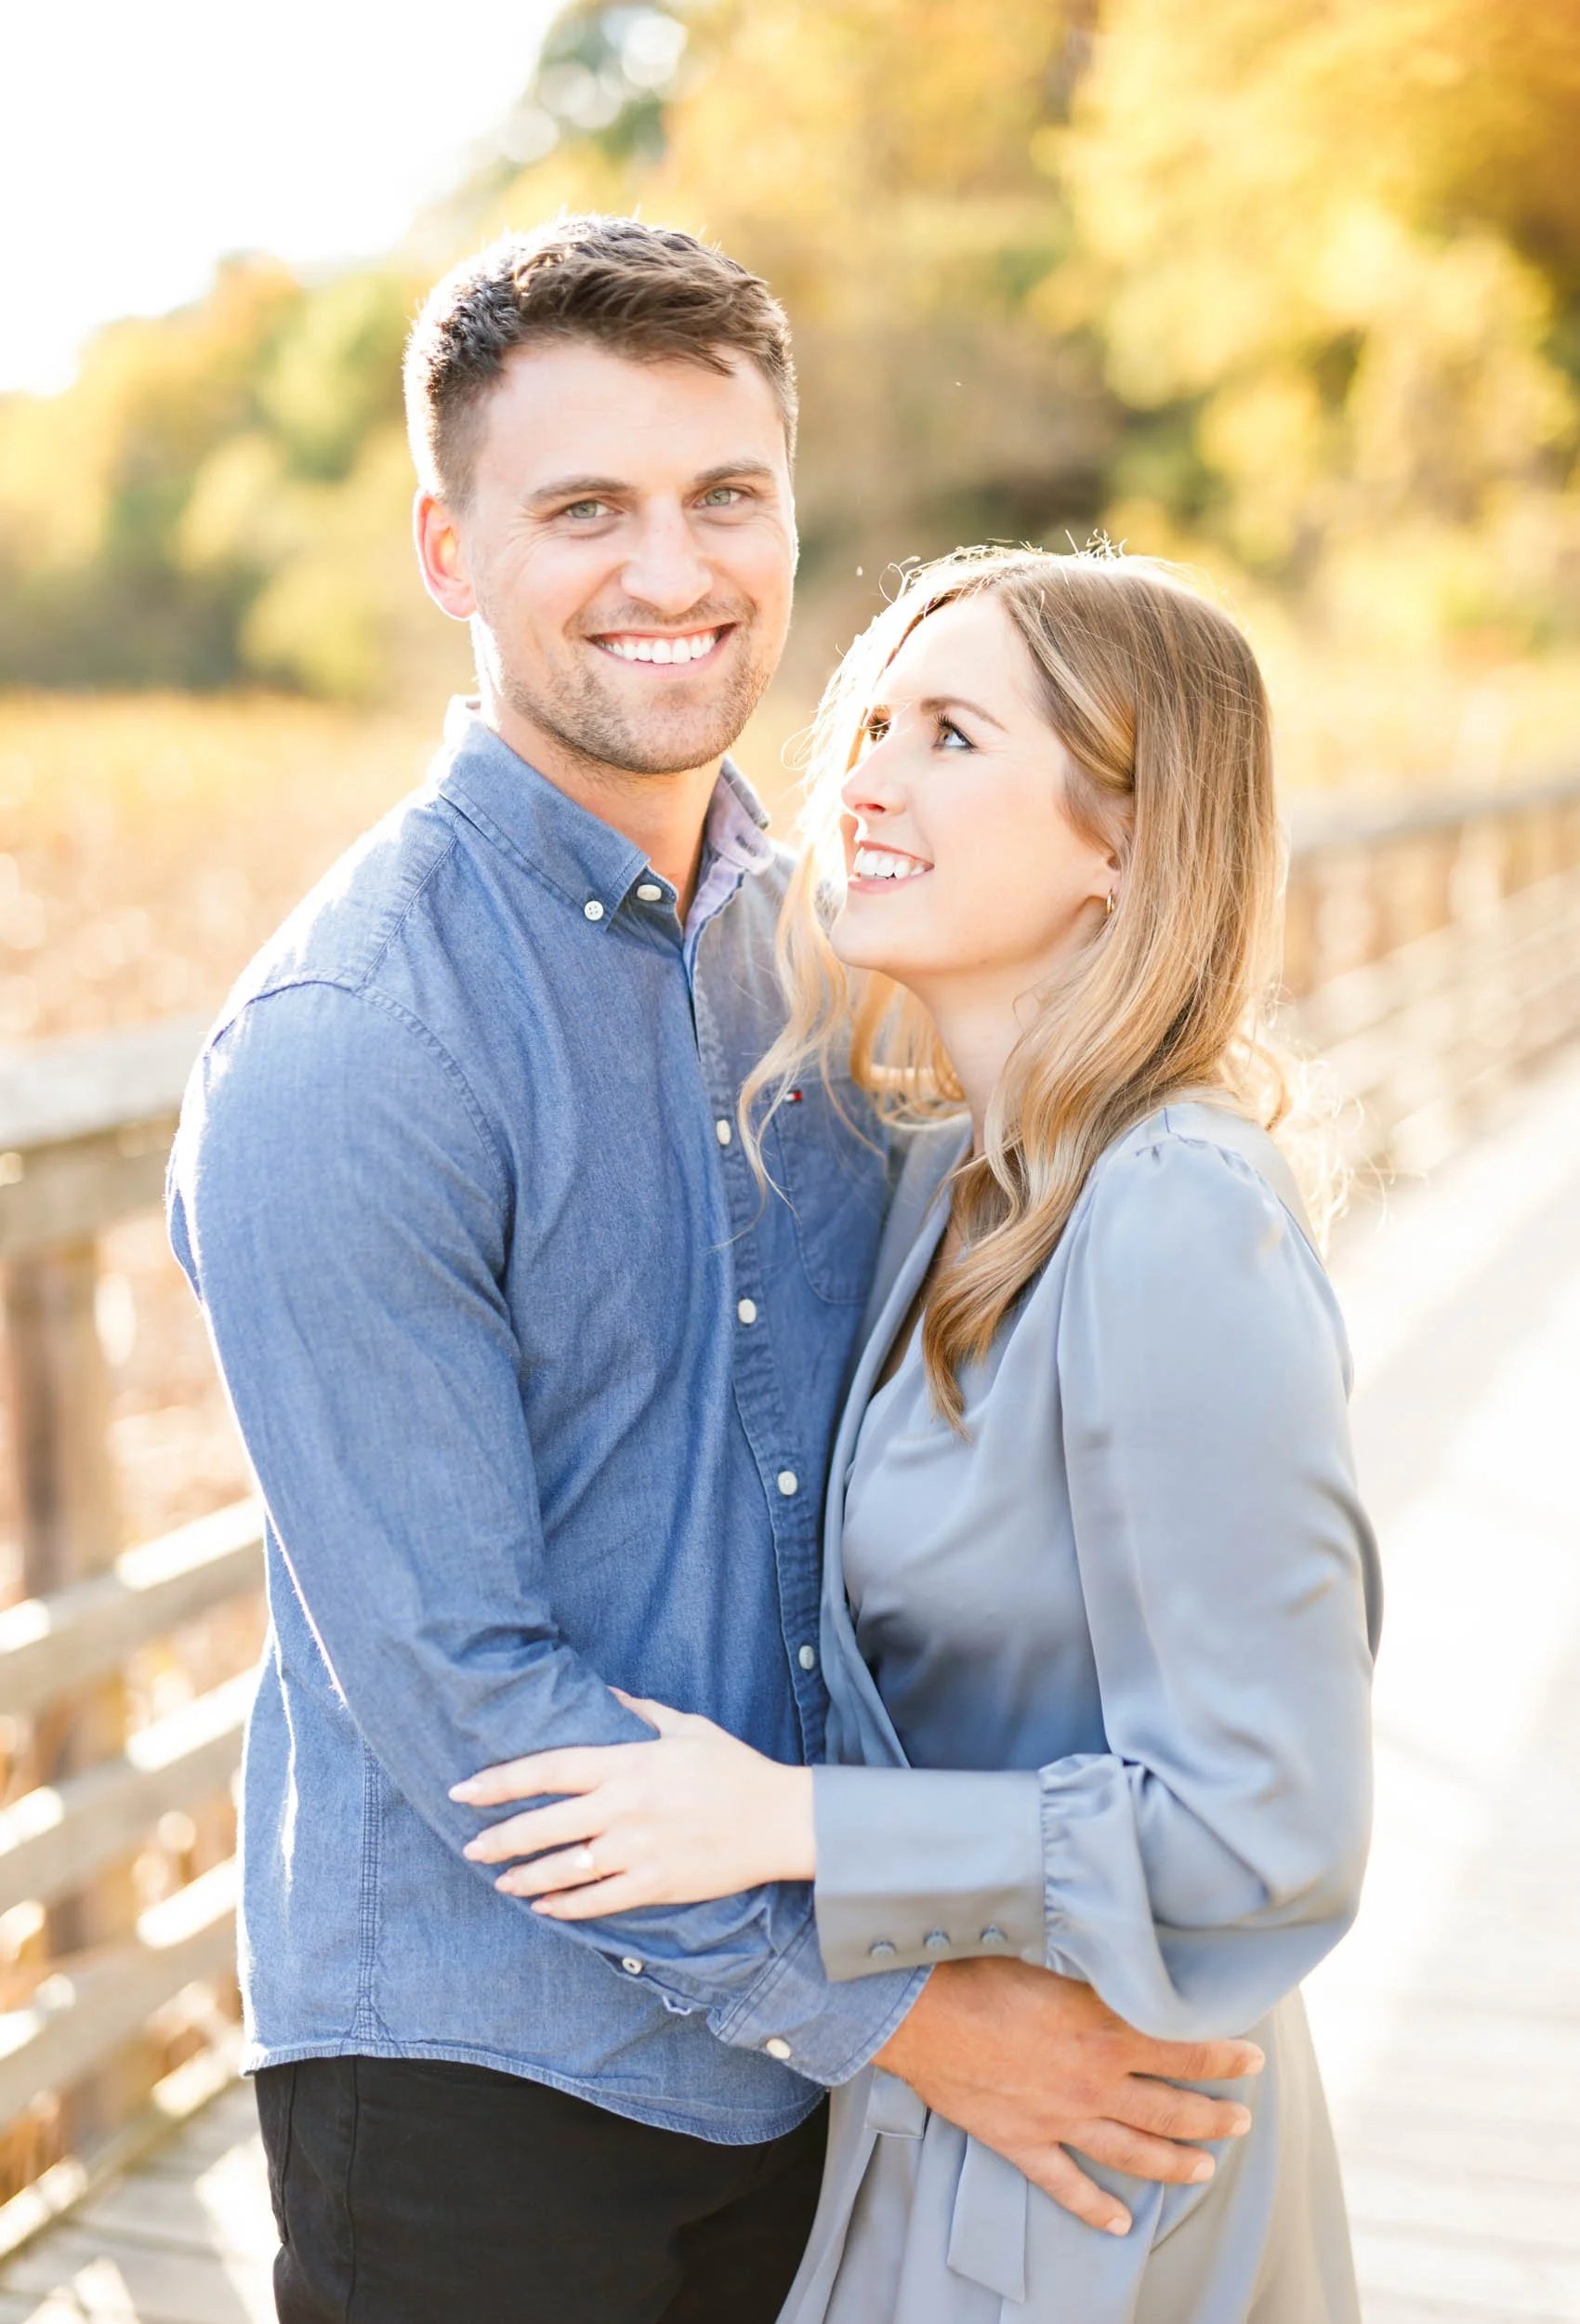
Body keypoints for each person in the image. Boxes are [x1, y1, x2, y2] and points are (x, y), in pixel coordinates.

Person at [169, 225, 1262, 2324]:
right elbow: (468, 1701)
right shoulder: (353, 1043)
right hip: (484, 2088)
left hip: (820, 2086)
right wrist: (909, 2005)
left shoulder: (834, 947)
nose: (671, 571)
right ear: (445, 546)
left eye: (722, 496)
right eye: (584, 508)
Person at [454, 545, 1382, 2322]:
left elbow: (1270, 1833)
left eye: (951, 734)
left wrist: (786, 1824)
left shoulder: (1176, 1210)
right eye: (872, 719)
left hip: (1114, 2148)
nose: (861, 776)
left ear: (1126, 840)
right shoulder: (958, 1183)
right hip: (944, 2122)